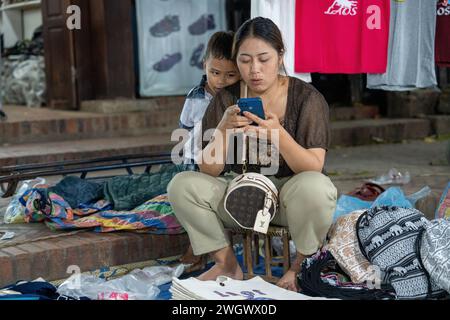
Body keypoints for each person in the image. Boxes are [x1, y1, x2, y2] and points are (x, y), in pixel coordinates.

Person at [168, 17, 337, 292]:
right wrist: (222, 130)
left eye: (263, 59)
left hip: (287, 200)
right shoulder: (226, 98)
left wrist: (279, 135)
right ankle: (226, 264)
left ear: (280, 55)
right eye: (245, 60)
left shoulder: (307, 98)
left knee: (316, 187)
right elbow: (208, 171)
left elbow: (314, 166)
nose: (254, 70)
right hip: (239, 199)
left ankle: (299, 267)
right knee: (182, 185)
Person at [178, 31, 241, 269]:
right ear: (205, 65)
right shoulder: (194, 97)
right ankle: (199, 247)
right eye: (215, 72)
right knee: (191, 198)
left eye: (230, 74)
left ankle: (201, 250)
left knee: (213, 200)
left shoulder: (238, 100)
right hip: (195, 159)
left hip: (224, 161)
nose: (221, 80)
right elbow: (183, 129)